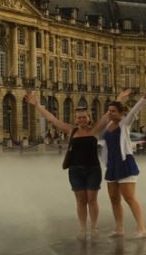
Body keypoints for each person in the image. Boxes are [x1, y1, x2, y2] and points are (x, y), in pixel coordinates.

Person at [26, 93, 103, 239]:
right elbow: (52, 119)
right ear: (76, 119)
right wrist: (37, 105)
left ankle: (93, 227)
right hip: (75, 170)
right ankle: (82, 229)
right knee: (80, 201)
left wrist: (120, 98)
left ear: (89, 118)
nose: (81, 120)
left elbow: (106, 116)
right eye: (79, 117)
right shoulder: (71, 130)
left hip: (93, 169)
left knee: (92, 200)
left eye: (84, 117)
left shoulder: (95, 130)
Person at [99, 89, 146, 238]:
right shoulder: (108, 125)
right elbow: (115, 108)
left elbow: (133, 113)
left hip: (124, 163)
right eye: (109, 111)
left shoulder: (124, 124)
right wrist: (119, 98)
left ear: (121, 113)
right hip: (112, 164)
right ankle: (119, 228)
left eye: (113, 111)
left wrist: (143, 100)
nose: (110, 113)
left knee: (129, 198)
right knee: (114, 199)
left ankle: (141, 228)